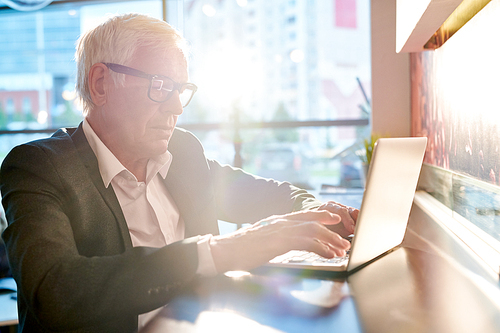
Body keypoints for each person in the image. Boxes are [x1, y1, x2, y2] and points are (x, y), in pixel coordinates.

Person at [0, 13, 358, 332]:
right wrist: (221, 252)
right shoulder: (38, 168)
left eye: (180, 90)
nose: (175, 107)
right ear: (100, 84)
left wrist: (318, 212)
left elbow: (268, 194)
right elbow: (55, 293)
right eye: (160, 86)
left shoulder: (183, 151)